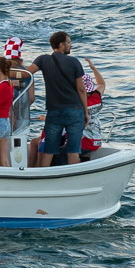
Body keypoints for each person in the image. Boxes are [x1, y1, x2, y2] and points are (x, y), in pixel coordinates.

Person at [25, 31, 89, 166]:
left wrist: (5, 72)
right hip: (74, 109)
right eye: (69, 42)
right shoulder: (74, 61)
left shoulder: (42, 59)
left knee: (49, 149)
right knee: (73, 149)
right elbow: (81, 89)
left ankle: (43, 174)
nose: (71, 45)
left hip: (54, 111)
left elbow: (26, 74)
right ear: (61, 45)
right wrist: (86, 112)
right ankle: (72, 174)